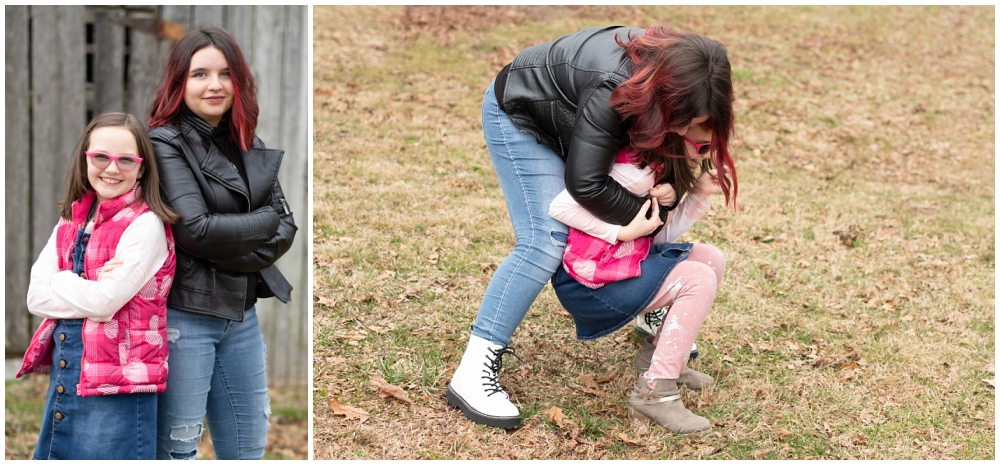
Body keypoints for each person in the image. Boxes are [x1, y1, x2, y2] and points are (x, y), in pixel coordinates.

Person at [446, 25, 736, 431]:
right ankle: (473, 371)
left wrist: (671, 203)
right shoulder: (614, 87)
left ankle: (658, 331)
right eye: (684, 123)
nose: (686, 135)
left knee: (668, 244)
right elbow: (584, 186)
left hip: (577, 119)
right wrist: (639, 221)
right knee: (543, 241)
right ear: (667, 99)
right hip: (522, 113)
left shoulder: (681, 81)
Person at [147, 26, 296, 460]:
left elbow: (287, 230)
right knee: (178, 450)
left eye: (225, 74)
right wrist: (263, 220)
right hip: (186, 317)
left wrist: (233, 249)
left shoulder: (248, 143)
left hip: (242, 317)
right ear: (180, 83)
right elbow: (195, 230)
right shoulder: (165, 142)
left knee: (248, 448)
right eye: (199, 74)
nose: (214, 85)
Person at [16, 112, 178, 459]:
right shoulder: (74, 218)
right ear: (86, 159)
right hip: (70, 372)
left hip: (119, 385)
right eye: (101, 157)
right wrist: (87, 287)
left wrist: (60, 279)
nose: (112, 168)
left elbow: (104, 303)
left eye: (126, 160)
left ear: (142, 167)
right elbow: (35, 297)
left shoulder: (145, 225)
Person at [549, 135, 729, 434]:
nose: (706, 153)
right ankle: (655, 394)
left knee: (711, 259)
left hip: (622, 262)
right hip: (591, 283)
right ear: (677, 133)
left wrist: (696, 195)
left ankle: (657, 360)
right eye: (701, 145)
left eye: (713, 147)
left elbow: (655, 236)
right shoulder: (634, 170)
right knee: (698, 278)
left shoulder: (658, 169)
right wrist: (620, 232)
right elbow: (560, 207)